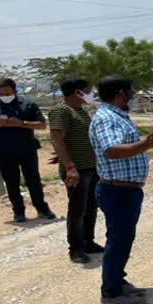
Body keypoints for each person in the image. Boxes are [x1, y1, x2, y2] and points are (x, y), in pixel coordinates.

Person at [89, 75, 153, 304]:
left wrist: (147, 143)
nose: (133, 96)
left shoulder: (116, 116)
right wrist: (145, 144)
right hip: (117, 191)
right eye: (131, 91)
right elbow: (111, 150)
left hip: (126, 190)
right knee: (118, 240)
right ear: (121, 93)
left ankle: (118, 282)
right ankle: (111, 293)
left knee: (123, 239)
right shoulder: (106, 119)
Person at [0, 78, 56, 223]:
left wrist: (22, 123)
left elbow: (42, 125)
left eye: (7, 93)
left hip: (27, 149)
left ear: (14, 91)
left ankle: (42, 209)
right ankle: (18, 212)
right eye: (1, 93)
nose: (5, 96)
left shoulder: (28, 104)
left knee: (33, 180)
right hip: (4, 151)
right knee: (11, 182)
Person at [49, 79, 103, 264]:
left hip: (91, 167)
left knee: (90, 207)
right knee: (77, 210)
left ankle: (88, 242)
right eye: (87, 90)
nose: (91, 93)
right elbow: (57, 138)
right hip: (77, 170)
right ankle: (76, 248)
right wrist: (69, 166)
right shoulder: (62, 111)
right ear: (77, 92)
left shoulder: (81, 111)